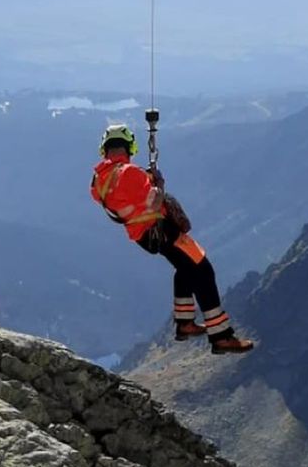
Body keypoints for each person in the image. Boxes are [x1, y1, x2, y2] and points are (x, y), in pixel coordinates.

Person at [90, 124, 255, 355]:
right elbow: (154, 202)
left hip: (143, 236)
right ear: (129, 147)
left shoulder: (99, 181)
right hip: (161, 229)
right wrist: (158, 183)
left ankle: (185, 323)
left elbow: (126, 198)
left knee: (185, 269)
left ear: (104, 149)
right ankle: (221, 336)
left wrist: (145, 180)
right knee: (203, 270)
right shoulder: (131, 173)